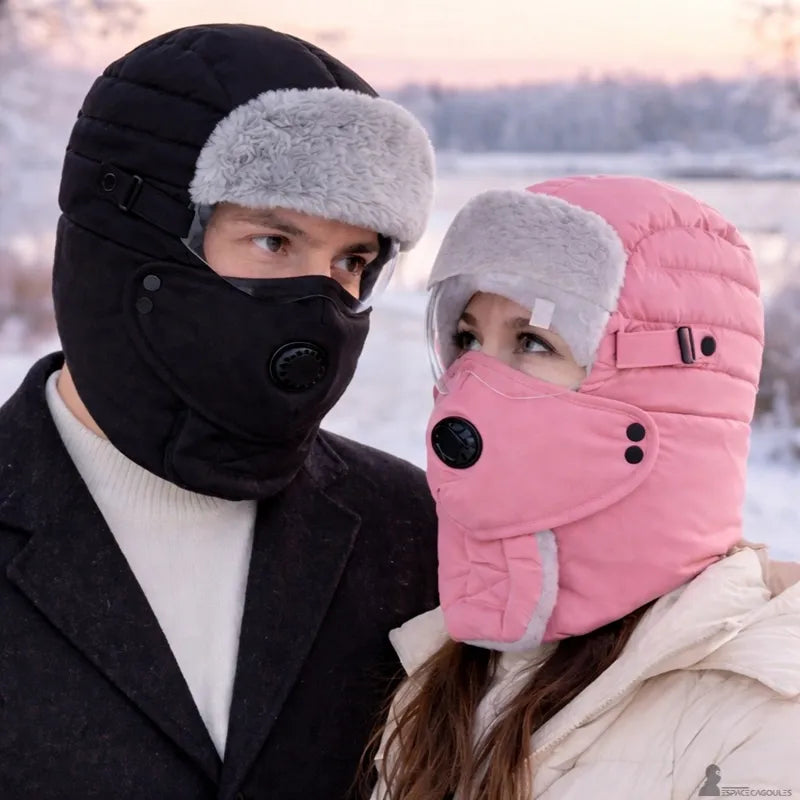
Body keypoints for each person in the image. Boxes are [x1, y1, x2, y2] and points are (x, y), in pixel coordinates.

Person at [0, 23, 439, 800]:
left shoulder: (408, 532)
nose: (321, 302)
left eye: (351, 262)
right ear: (129, 238)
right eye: (274, 241)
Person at [370, 176, 800, 799]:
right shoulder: (442, 670)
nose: (473, 385)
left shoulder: (762, 713)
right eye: (467, 340)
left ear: (665, 385)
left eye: (531, 342)